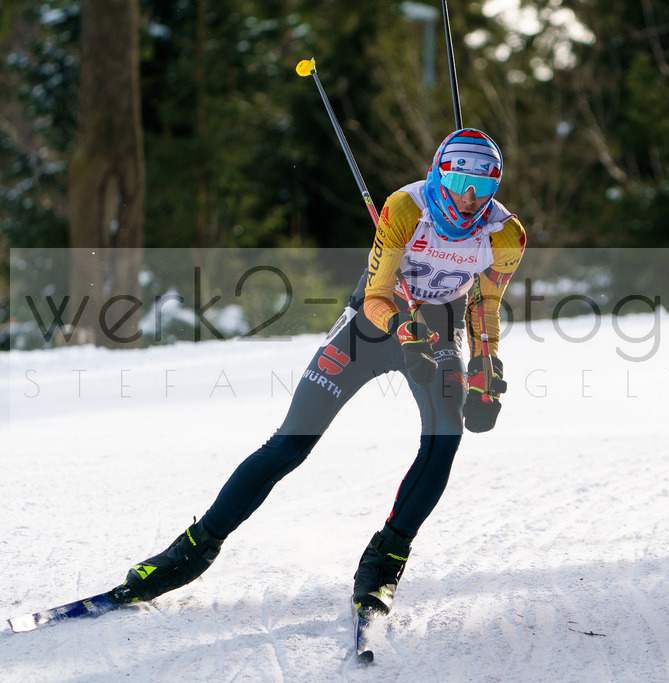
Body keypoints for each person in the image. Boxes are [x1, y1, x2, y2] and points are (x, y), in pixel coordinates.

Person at [105, 128, 526, 618]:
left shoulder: (505, 234)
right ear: (440, 175)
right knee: (291, 441)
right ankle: (189, 554)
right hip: (378, 321)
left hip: (441, 322)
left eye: (483, 190)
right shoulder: (406, 208)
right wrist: (407, 335)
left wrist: (485, 363)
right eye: (460, 186)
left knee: (446, 437)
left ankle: (384, 562)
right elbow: (376, 296)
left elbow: (484, 305)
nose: (470, 201)